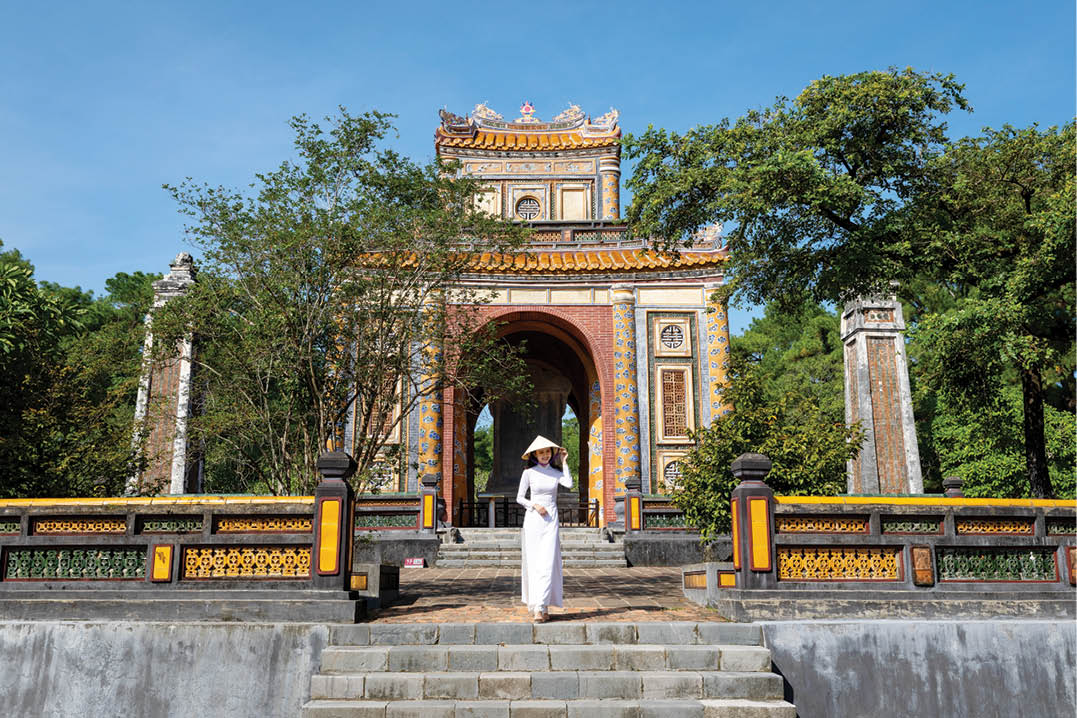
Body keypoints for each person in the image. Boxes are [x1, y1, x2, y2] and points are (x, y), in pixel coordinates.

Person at [516, 435, 573, 623]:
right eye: (541, 452)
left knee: (548, 562)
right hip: (533, 520)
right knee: (535, 562)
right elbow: (520, 498)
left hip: (551, 520)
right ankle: (539, 608)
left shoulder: (556, 473)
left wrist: (564, 462)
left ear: (551, 453)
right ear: (535, 455)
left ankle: (543, 605)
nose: (545, 455)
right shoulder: (529, 473)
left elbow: (569, 484)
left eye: (547, 452)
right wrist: (534, 505)